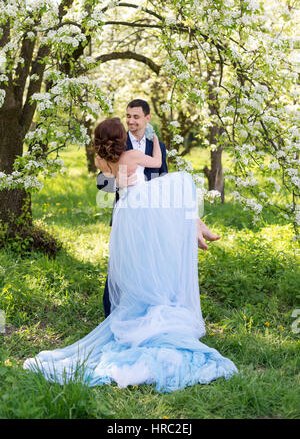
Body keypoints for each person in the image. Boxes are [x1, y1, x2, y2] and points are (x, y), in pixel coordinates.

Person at [23, 117, 238, 393]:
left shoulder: (102, 161)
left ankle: (195, 229)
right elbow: (158, 163)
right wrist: (156, 141)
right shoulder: (133, 154)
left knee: (134, 262)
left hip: (123, 214)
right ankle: (195, 229)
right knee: (182, 183)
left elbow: (106, 185)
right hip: (141, 206)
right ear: (121, 138)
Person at [96, 99, 220, 318]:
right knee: (122, 265)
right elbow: (101, 182)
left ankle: (150, 312)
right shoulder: (117, 143)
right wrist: (119, 183)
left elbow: (163, 177)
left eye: (135, 117)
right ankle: (112, 313)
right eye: (128, 116)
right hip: (129, 212)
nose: (131, 121)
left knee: (151, 263)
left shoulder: (158, 145)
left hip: (154, 213)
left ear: (147, 118)